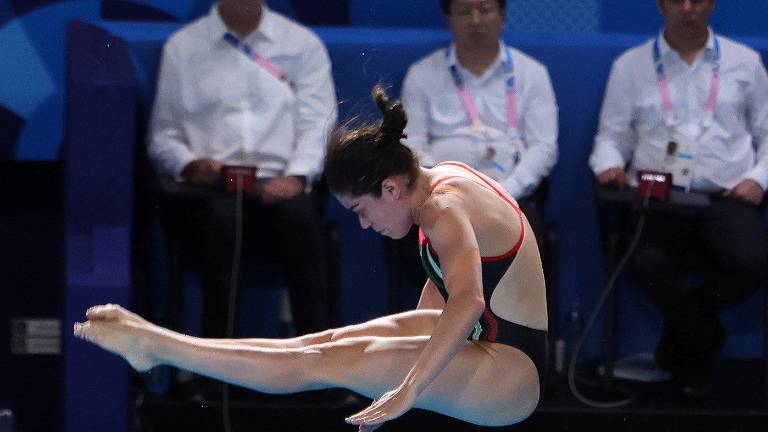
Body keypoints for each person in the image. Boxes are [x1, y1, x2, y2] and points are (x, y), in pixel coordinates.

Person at [74, 86, 548, 430]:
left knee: (320, 361)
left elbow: (467, 301)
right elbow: (447, 288)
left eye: (361, 211)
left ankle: (159, 345)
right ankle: (156, 344)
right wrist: (398, 361)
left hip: (510, 373)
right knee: (325, 344)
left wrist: (408, 388)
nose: (365, 226)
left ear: (390, 187)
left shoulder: (442, 206)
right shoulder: (441, 179)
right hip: (490, 344)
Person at [589, 0, 768, 395]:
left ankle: (684, 339)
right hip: (657, 198)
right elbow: (611, 137)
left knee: (753, 263)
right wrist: (609, 164)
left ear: (712, 4)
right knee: (644, 261)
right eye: (677, 0)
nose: (687, 9)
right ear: (661, 5)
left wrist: (759, 179)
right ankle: (704, 337)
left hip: (725, 197)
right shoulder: (631, 66)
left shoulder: (745, 63)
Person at [147, 0, 337, 338]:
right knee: (222, 218)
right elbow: (163, 136)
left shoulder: (302, 45)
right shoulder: (183, 47)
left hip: (281, 183)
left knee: (299, 215)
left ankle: (318, 355)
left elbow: (318, 124)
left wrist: (297, 176)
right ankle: (215, 358)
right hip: (211, 189)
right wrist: (189, 165)